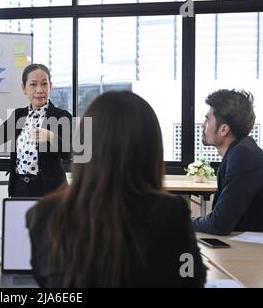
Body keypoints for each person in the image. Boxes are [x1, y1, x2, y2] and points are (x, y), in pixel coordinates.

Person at [26, 91, 206, 287]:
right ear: (151, 150)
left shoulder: (44, 215)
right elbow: (191, 279)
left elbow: (42, 281)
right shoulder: (171, 213)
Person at [0, 63, 72, 197]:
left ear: (50, 86)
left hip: (50, 190)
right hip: (20, 187)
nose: (39, 90)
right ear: (24, 88)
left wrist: (50, 137)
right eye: (33, 84)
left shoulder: (61, 116)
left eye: (44, 84)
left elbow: (69, 153)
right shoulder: (19, 115)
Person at [192, 89, 263, 235]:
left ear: (224, 129)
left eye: (207, 119)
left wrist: (181, 221)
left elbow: (219, 223)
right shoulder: (240, 152)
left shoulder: (244, 156)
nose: (202, 125)